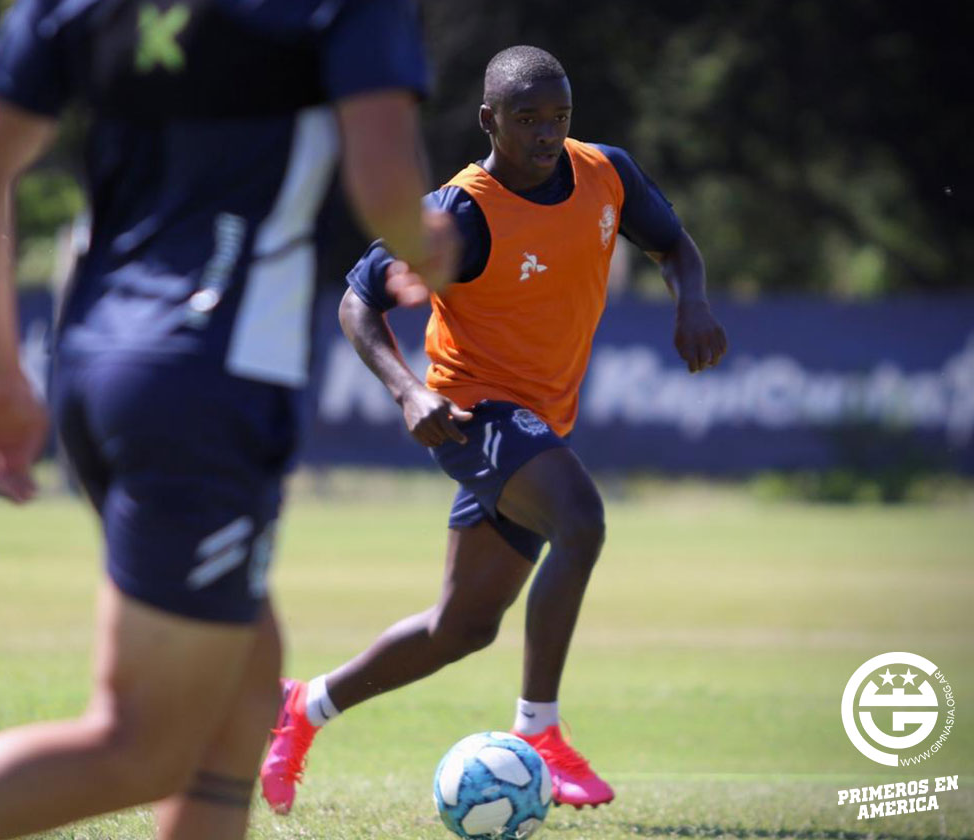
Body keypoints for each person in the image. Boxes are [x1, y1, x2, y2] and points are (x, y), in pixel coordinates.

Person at [0, 1, 454, 838]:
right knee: (145, 743)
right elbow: (385, 188)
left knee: (245, 684)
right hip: (210, 383)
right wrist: (427, 241)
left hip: (96, 369)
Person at [260, 45, 729, 814]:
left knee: (462, 627)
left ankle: (302, 708)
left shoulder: (605, 171)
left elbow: (672, 244)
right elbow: (357, 300)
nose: (548, 134)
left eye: (559, 117)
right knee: (581, 521)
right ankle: (540, 733)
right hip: (473, 412)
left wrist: (693, 301)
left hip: (541, 421)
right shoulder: (460, 214)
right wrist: (409, 391)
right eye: (528, 119)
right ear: (490, 121)